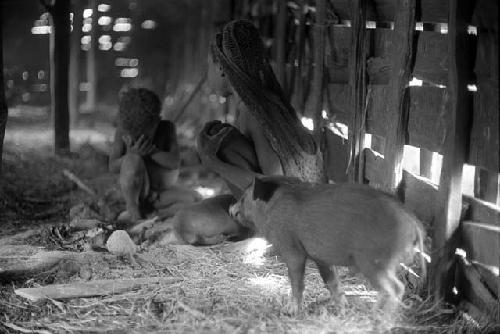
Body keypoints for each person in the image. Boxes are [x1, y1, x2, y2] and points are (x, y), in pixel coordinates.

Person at [109, 88, 186, 222]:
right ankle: (133, 209)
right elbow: (113, 166)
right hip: (135, 192)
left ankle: (153, 210)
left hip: (161, 193)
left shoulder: (167, 128)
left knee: (194, 199)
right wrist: (131, 154)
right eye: (136, 136)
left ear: (157, 121)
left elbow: (175, 163)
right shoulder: (122, 131)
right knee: (132, 160)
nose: (141, 140)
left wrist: (152, 152)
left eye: (146, 136)